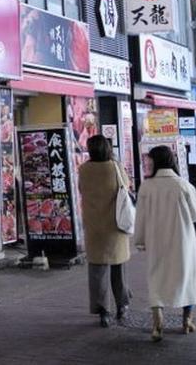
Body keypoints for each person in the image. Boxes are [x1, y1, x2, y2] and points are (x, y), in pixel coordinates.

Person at [134, 146, 196, 342]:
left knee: (157, 278)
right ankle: (187, 321)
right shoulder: (183, 185)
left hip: (156, 241)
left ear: (154, 162)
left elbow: (140, 217)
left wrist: (139, 240)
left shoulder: (147, 187)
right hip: (183, 241)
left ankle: (157, 324)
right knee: (186, 279)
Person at [77, 135, 132, 327]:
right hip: (115, 225)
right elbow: (126, 186)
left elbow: (81, 190)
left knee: (97, 270)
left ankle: (103, 312)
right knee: (119, 268)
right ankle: (122, 307)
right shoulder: (114, 167)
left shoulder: (83, 169)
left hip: (94, 227)